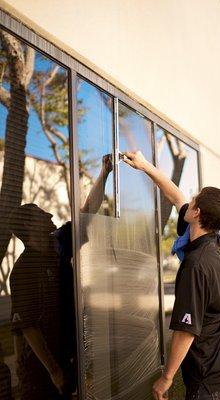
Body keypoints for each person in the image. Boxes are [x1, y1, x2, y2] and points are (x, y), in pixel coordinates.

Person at [122, 150, 220, 400]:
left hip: (209, 384)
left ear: (197, 212)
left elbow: (186, 331)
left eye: (194, 199)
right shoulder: (214, 242)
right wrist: (145, 166)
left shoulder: (196, 265)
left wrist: (166, 379)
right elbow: (175, 196)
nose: (189, 200)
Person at [7, 154, 112, 399]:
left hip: (67, 356)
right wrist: (54, 370)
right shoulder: (24, 270)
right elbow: (28, 327)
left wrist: (104, 173)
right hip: (41, 370)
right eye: (42, 214)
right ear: (30, 228)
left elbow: (86, 213)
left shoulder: (59, 244)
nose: (50, 215)